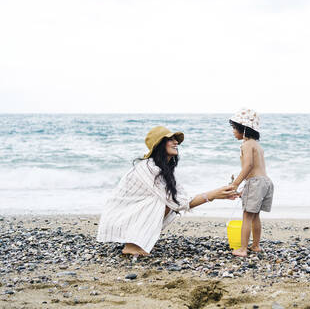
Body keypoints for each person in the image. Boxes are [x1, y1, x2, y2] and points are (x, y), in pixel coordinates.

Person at [96, 126, 237, 256]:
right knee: (161, 203)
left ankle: (137, 241)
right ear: (159, 145)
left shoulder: (164, 169)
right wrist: (213, 195)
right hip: (118, 217)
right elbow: (177, 203)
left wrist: (220, 194)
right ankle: (131, 246)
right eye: (170, 139)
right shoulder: (149, 167)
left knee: (167, 203)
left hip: (129, 215)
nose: (176, 142)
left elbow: (182, 197)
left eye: (176, 139)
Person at [229, 109, 274, 257]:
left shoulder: (247, 145)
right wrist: (245, 187)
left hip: (256, 182)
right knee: (255, 216)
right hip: (266, 182)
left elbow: (248, 167)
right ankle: (255, 246)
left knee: (247, 216)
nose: (233, 132)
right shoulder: (257, 145)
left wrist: (235, 184)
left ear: (244, 129)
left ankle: (242, 249)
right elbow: (257, 171)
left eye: (235, 128)